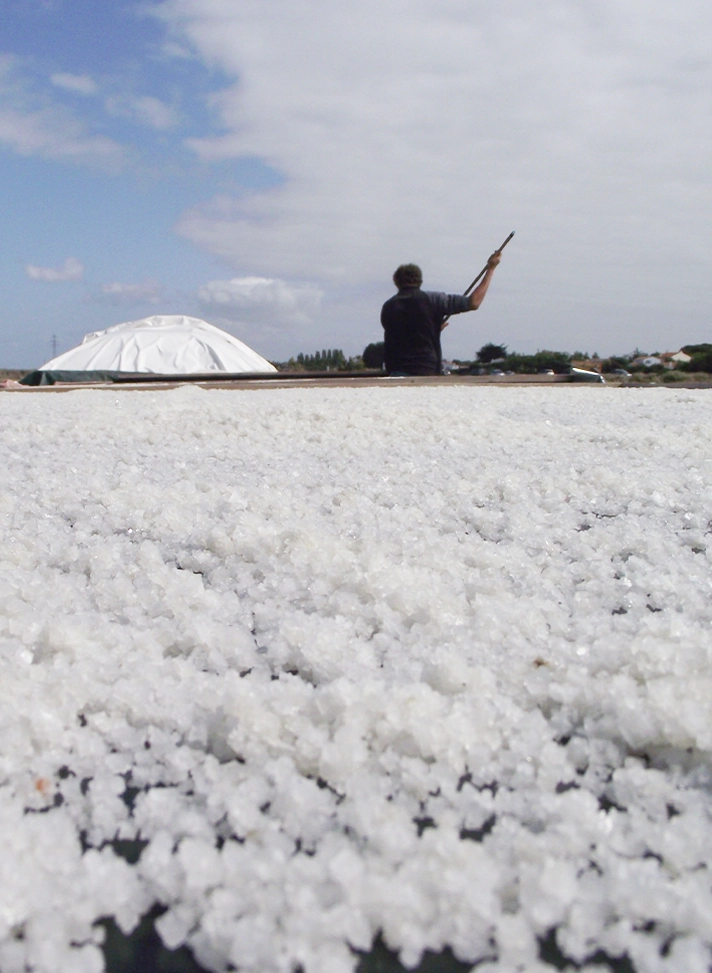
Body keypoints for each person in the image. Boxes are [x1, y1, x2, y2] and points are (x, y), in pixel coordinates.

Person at [380, 251, 502, 376]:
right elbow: (474, 302)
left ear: (396, 281)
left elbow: (403, 333)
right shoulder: (435, 300)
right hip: (426, 368)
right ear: (420, 281)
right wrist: (491, 269)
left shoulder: (389, 306)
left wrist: (432, 328)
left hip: (396, 368)